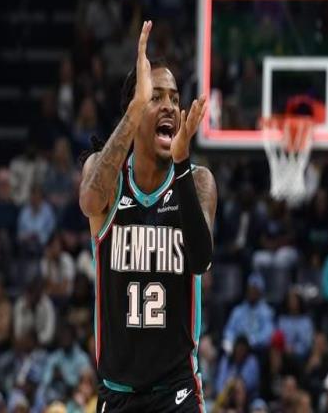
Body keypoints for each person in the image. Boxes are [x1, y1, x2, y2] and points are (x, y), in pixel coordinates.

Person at [80, 21, 217, 412]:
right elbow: (89, 201)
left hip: (177, 391)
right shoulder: (106, 179)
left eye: (174, 98)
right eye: (155, 97)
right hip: (117, 392)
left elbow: (201, 260)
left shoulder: (199, 181)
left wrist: (182, 162)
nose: (170, 106)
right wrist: (135, 107)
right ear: (135, 109)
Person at [222, 273, 275, 354]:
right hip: (237, 349)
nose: (252, 293)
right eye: (250, 289)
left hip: (257, 350)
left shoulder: (267, 312)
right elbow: (229, 330)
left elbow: (268, 334)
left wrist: (251, 341)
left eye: (255, 290)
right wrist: (230, 341)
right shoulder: (238, 310)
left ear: (260, 292)